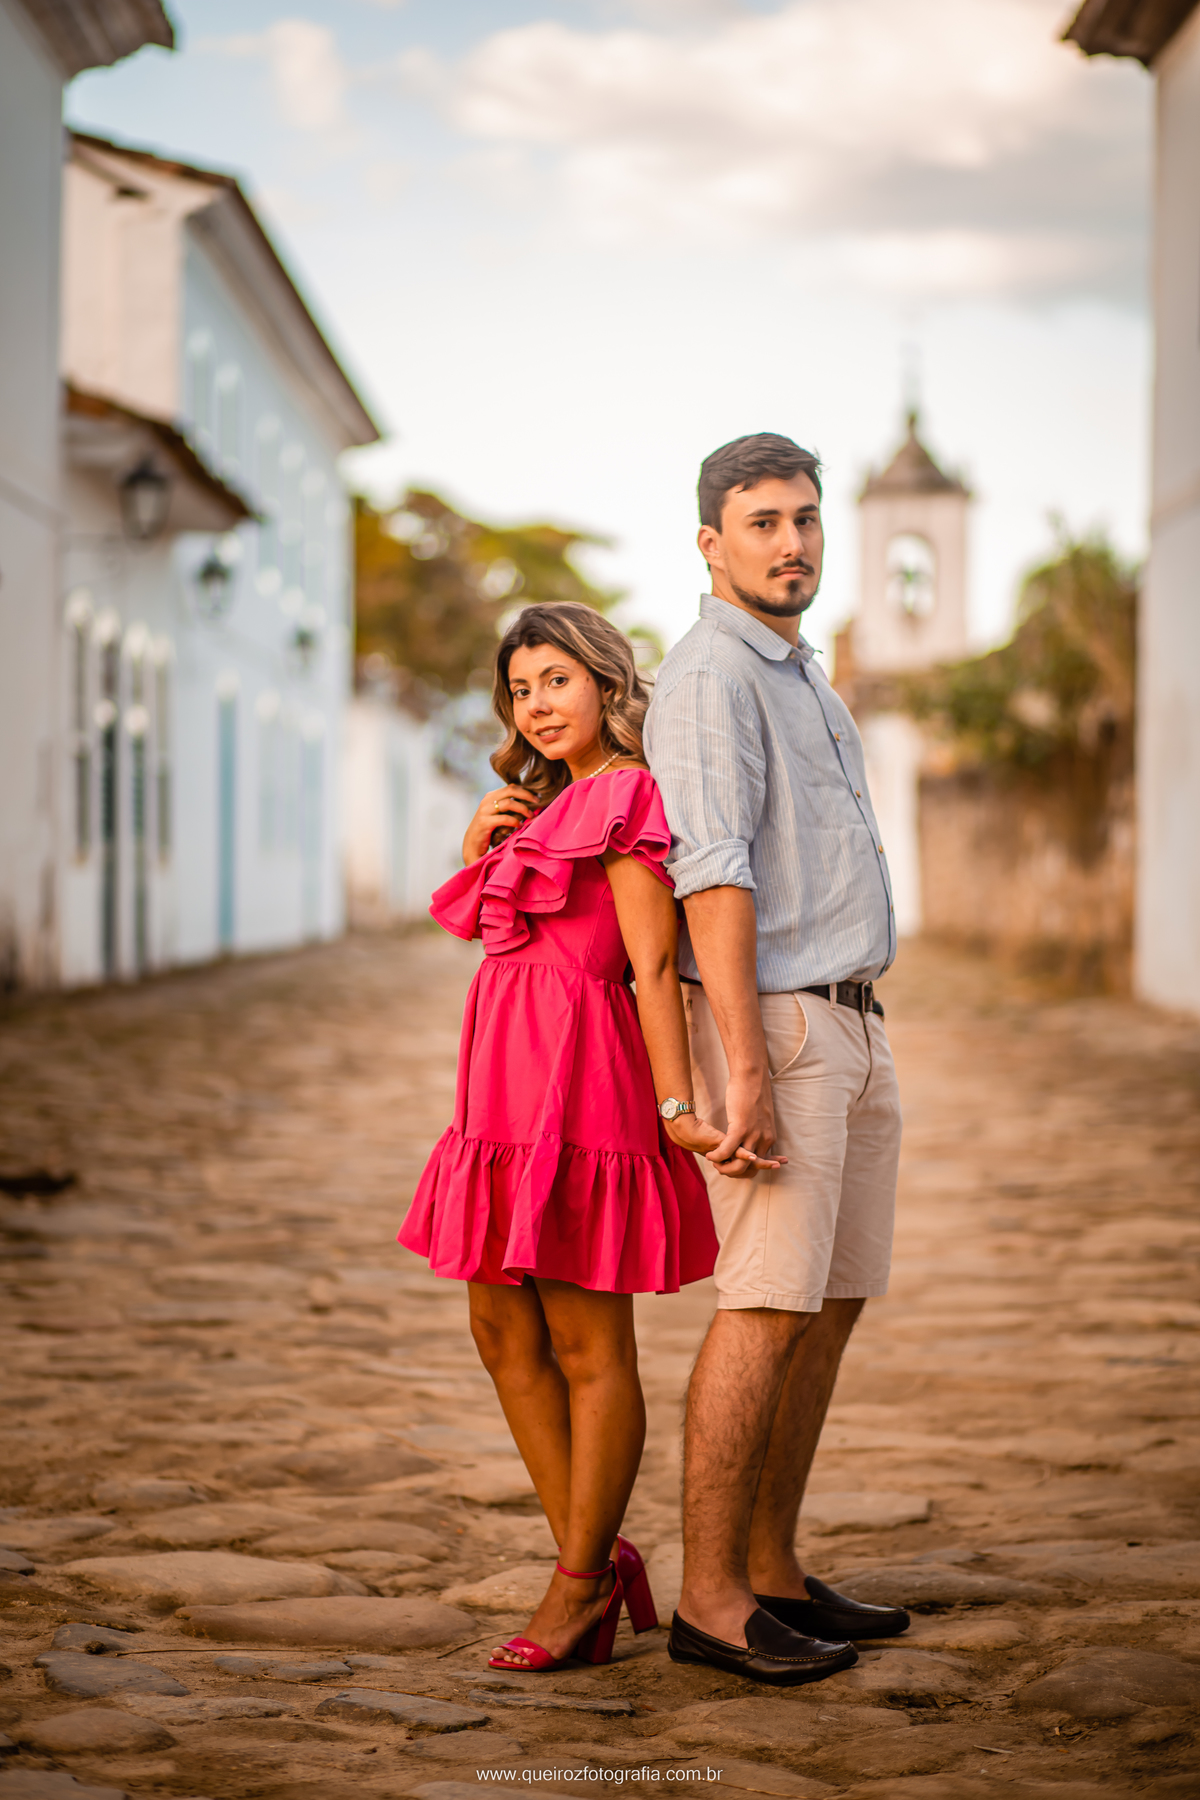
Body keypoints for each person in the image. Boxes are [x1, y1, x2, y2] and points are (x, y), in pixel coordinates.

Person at [399, 601, 772, 1673]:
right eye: (521, 688)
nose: (537, 703)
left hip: (582, 1091)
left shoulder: (627, 799)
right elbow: (497, 936)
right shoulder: (533, 807)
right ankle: (598, 1558)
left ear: (607, 683)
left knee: (583, 1343)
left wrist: (674, 1108)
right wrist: (479, 841)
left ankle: (575, 1590)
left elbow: (652, 966)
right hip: (498, 1102)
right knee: (497, 1329)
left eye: (557, 679)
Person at [643, 433, 910, 1685]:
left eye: (805, 518)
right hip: (786, 1027)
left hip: (857, 1020)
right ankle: (708, 1600)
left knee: (833, 1300)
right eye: (762, 522)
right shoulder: (711, 675)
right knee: (762, 1304)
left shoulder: (805, 675)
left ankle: (774, 1570)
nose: (792, 541)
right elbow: (713, 870)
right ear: (711, 543)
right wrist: (741, 1065)